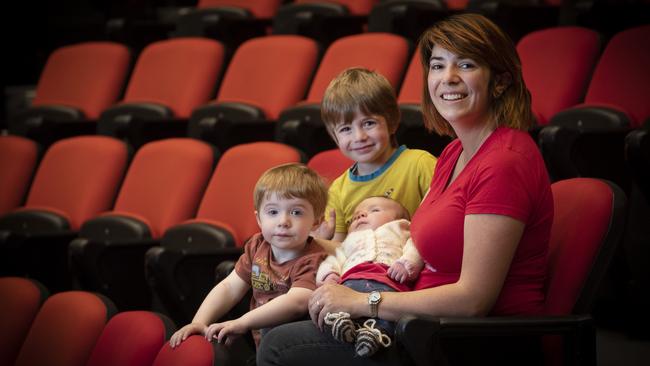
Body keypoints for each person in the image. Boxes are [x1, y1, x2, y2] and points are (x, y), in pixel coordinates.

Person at [258, 13, 553, 366]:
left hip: (469, 341)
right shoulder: (453, 153)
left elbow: (473, 301)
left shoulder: (504, 161)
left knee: (278, 346)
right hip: (417, 324)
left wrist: (362, 302)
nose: (448, 78)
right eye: (438, 65)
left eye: (466, 64)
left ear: (500, 81)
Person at [169, 163, 329, 350]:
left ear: (317, 221)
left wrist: (242, 322)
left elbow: (297, 302)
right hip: (264, 344)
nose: (283, 221)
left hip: (295, 350)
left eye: (296, 212)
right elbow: (229, 288)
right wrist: (199, 322)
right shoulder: (257, 245)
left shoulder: (315, 258)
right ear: (259, 219)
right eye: (273, 212)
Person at [314, 67, 437, 243]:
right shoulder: (337, 191)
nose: (359, 137)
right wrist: (319, 243)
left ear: (392, 122)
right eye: (346, 129)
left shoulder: (420, 164)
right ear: (335, 137)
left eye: (369, 123)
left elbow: (446, 220)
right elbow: (340, 248)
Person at [316, 196, 423, 357]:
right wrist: (329, 274)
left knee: (387, 311)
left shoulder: (402, 230)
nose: (360, 216)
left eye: (374, 210)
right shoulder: (349, 241)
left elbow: (415, 247)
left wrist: (407, 264)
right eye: (355, 216)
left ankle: (377, 333)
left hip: (387, 278)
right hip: (349, 283)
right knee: (337, 305)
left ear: (400, 219)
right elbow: (334, 259)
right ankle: (343, 326)